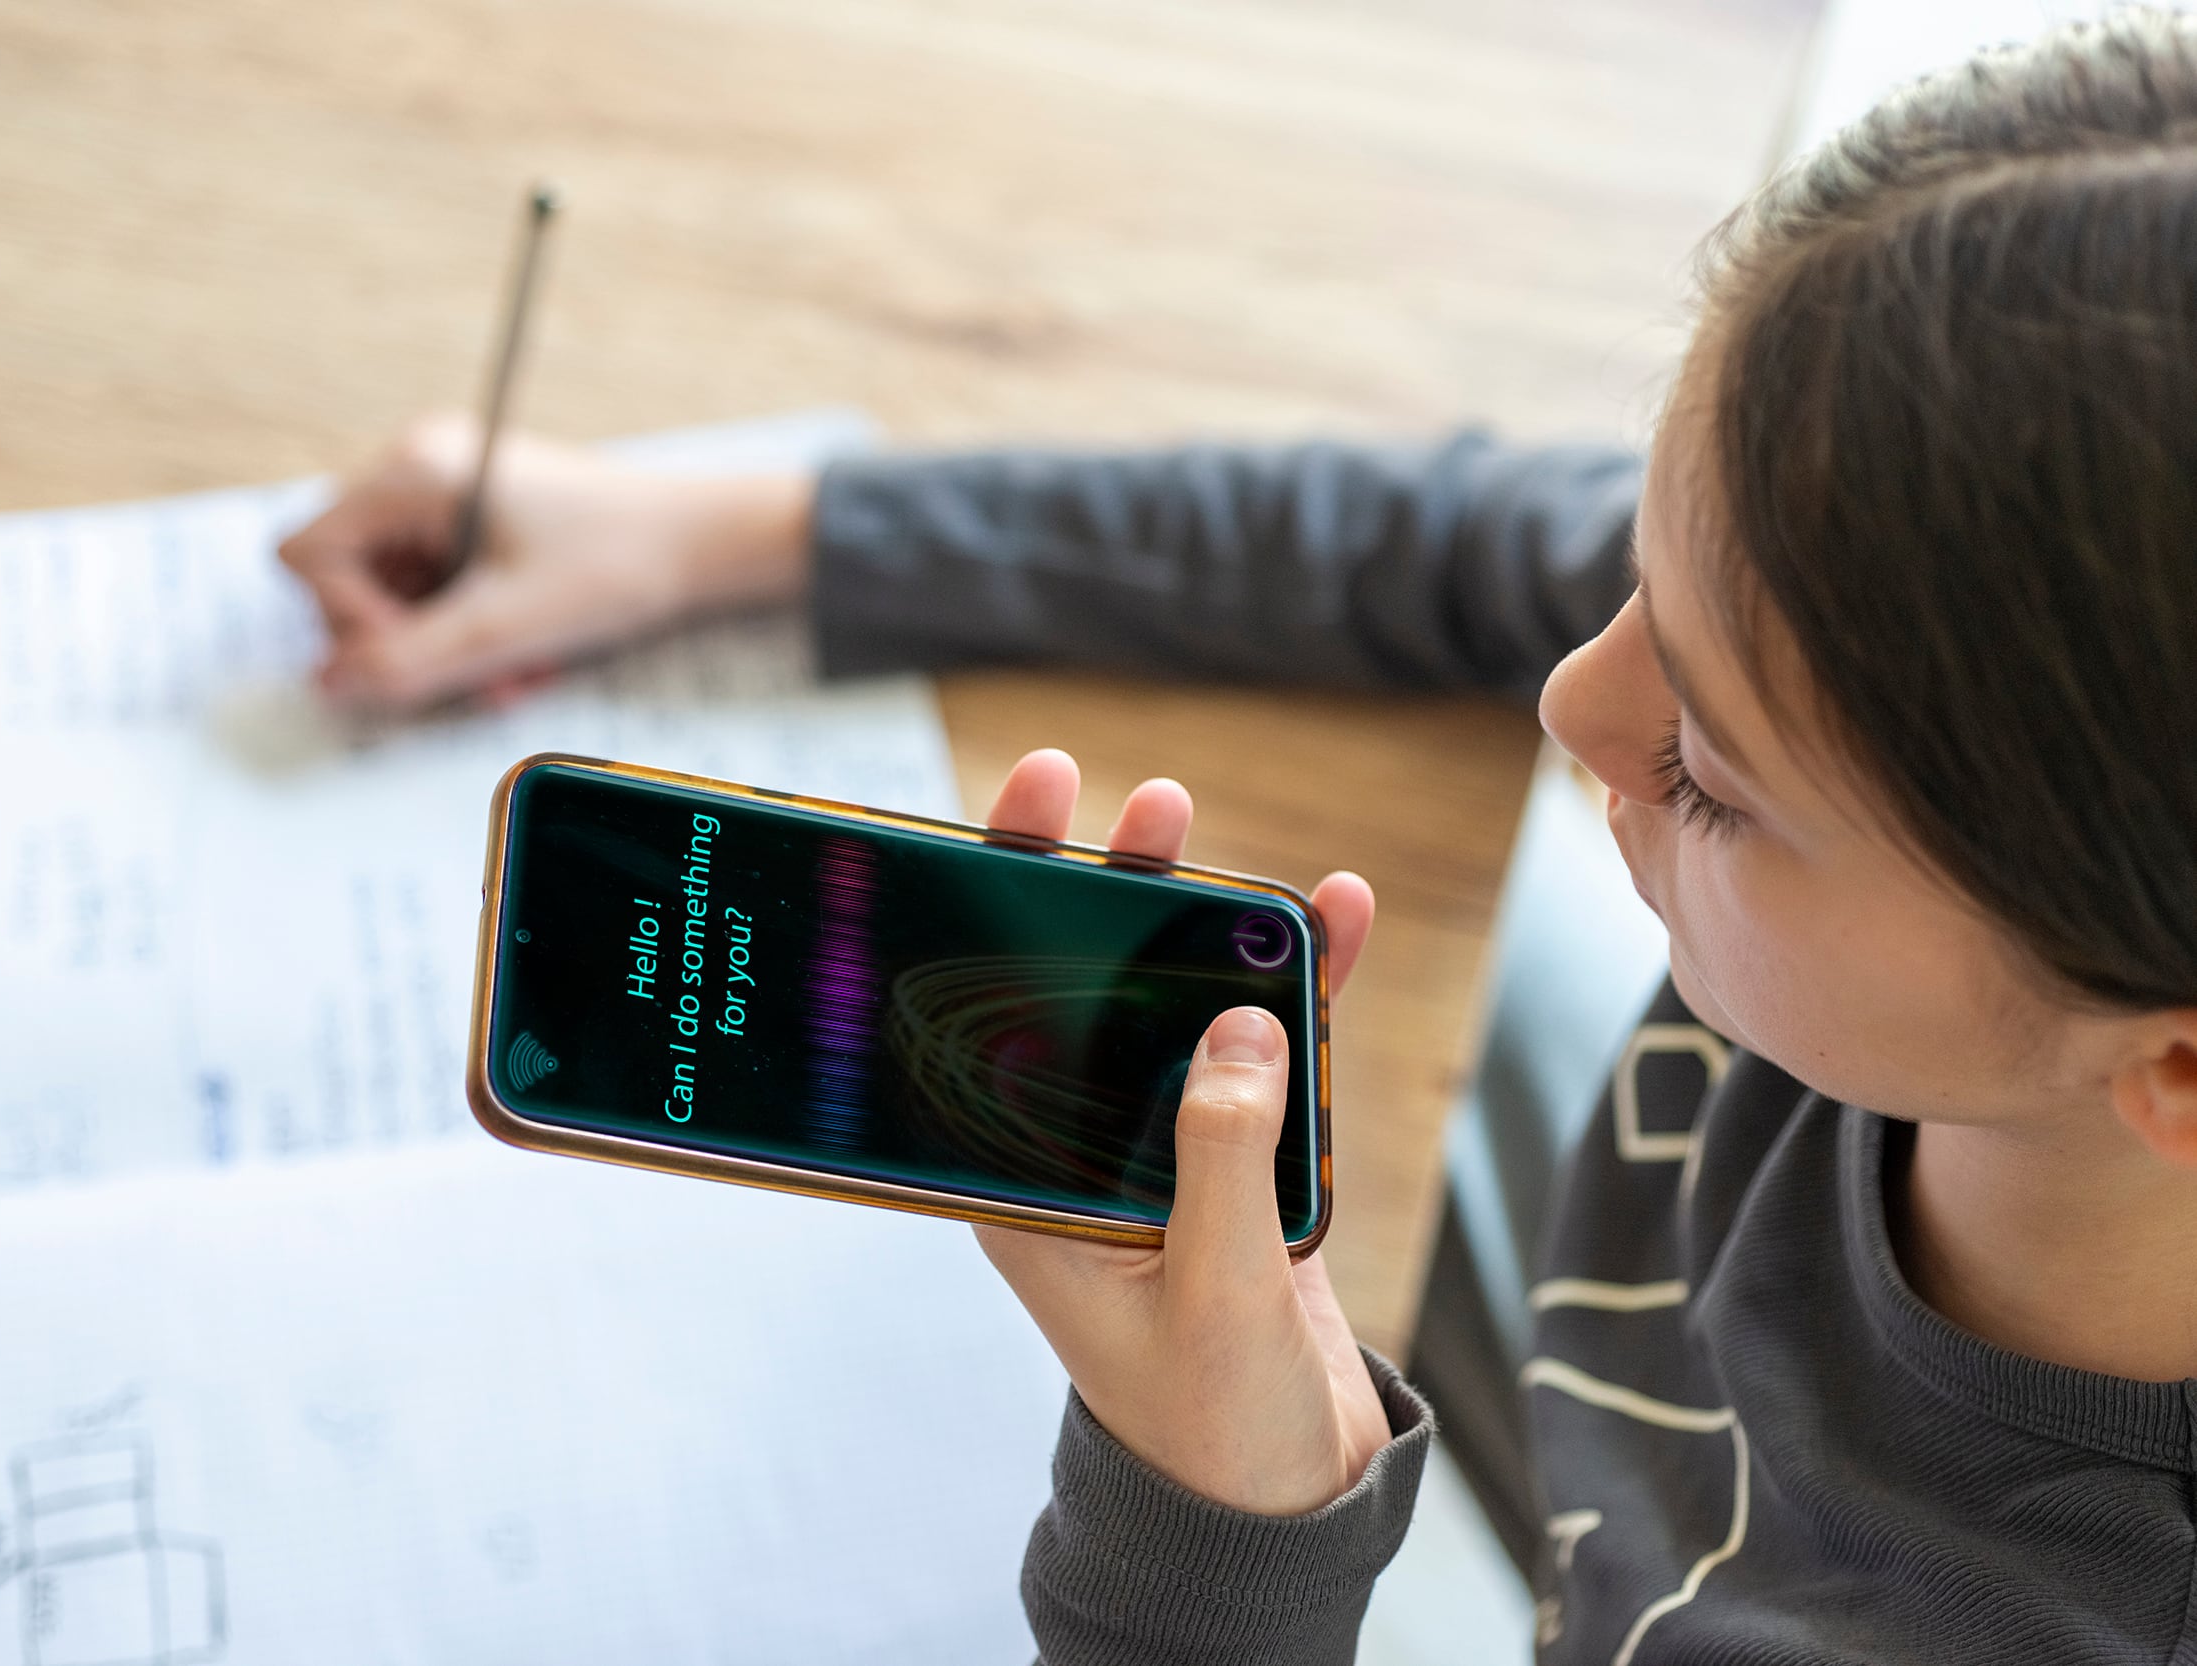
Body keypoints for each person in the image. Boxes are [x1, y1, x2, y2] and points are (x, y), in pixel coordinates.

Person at [278, 12, 2197, 1662]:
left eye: (1704, 765)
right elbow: (1429, 545)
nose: (1572, 702)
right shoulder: (1936, 671)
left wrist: (1223, 1514)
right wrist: (731, 532)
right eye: (1633, 578)